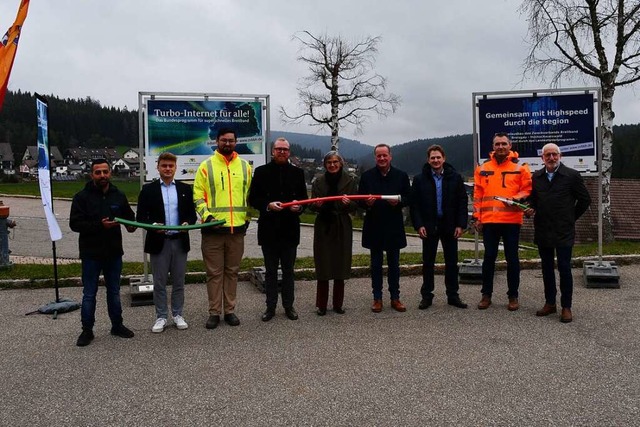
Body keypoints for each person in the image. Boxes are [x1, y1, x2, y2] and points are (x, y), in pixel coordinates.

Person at [69, 159, 137, 347]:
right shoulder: (81, 197)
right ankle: (87, 330)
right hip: (91, 254)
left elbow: (130, 218)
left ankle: (117, 325)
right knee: (89, 293)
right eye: (98, 172)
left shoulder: (118, 195)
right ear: (92, 175)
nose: (102, 176)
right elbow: (74, 224)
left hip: (114, 253)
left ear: (110, 173)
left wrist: (131, 225)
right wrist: (100, 225)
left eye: (105, 172)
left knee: (114, 292)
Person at [193, 128, 252, 329]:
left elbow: (249, 197)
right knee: (214, 273)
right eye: (224, 140)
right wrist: (207, 216)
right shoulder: (205, 166)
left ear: (236, 142)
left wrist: (248, 217)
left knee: (232, 272)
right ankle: (214, 312)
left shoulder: (245, 167)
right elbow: (198, 196)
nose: (227, 144)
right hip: (213, 231)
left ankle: (230, 311)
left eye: (231, 140)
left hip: (237, 230)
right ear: (216, 141)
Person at [525, 143, 591, 323]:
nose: (551, 158)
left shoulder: (571, 175)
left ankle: (566, 307)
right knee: (547, 269)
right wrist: (530, 207)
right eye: (548, 155)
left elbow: (585, 200)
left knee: (564, 268)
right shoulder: (537, 176)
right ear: (542, 158)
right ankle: (550, 303)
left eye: (554, 154)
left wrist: (571, 218)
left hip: (564, 231)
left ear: (560, 156)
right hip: (543, 229)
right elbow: (534, 200)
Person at [136, 152, 198, 333]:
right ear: (158, 167)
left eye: (171, 166)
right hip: (158, 242)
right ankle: (161, 316)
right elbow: (141, 217)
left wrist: (187, 223)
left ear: (175, 168)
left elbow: (191, 216)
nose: (168, 169)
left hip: (179, 241)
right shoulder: (148, 190)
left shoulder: (185, 189)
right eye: (164, 166)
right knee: (160, 282)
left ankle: (178, 314)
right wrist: (153, 225)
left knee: (179, 281)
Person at [248, 137, 307, 322]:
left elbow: (304, 199)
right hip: (269, 230)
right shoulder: (261, 172)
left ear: (289, 152)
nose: (282, 152)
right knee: (271, 271)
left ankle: (289, 306)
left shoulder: (298, 173)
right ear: (273, 151)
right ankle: (270, 307)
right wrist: (267, 205)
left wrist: (300, 207)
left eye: (285, 149)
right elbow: (253, 199)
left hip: (290, 230)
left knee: (289, 271)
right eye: (278, 149)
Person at [473, 132, 532, 311]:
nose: (500, 147)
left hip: (512, 220)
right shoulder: (482, 168)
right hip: (489, 222)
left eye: (503, 144)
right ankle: (486, 295)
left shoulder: (521, 167)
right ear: (493, 146)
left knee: (512, 259)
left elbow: (527, 190)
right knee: (488, 259)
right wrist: (477, 217)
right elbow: (478, 196)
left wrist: (516, 198)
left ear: (510, 145)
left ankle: (513, 296)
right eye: (497, 144)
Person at [410, 145, 468, 310]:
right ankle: (427, 296)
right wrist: (419, 224)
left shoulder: (455, 177)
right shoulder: (420, 179)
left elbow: (462, 202)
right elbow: (415, 205)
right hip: (428, 226)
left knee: (452, 262)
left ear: (444, 158)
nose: (435, 160)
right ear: (428, 160)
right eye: (432, 158)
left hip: (450, 225)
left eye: (438, 157)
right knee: (428, 262)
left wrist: (460, 224)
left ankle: (453, 295)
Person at [358, 143, 411, 313]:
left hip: (393, 226)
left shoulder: (401, 176)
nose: (382, 158)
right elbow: (359, 200)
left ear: (390, 156)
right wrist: (367, 203)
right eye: (378, 156)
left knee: (394, 265)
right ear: (375, 157)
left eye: (384, 155)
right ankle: (377, 298)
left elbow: (409, 198)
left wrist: (399, 202)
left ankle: (395, 298)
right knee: (376, 265)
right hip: (374, 226)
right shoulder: (367, 176)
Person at [309, 151, 358, 316]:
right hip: (323, 225)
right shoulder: (318, 182)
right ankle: (321, 305)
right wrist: (317, 205)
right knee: (323, 265)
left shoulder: (350, 181)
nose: (332, 165)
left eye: (335, 162)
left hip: (342, 225)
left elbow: (356, 205)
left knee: (340, 264)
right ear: (325, 165)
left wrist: (348, 203)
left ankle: (338, 304)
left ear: (341, 163)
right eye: (329, 162)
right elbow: (311, 205)